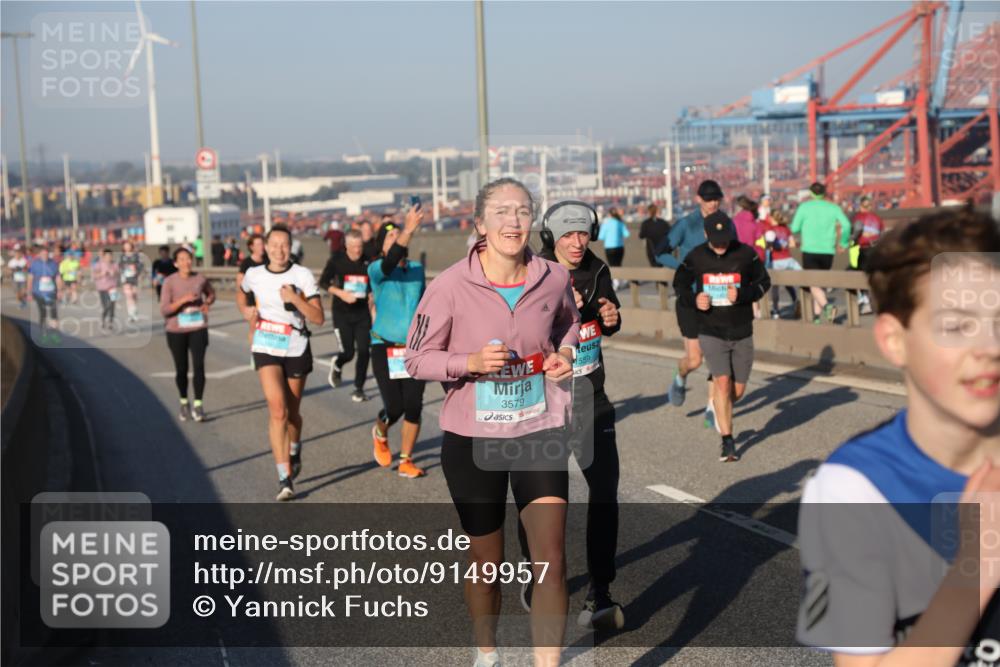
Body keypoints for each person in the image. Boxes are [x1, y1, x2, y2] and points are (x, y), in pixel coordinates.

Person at [796, 207, 1000, 665]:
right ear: (894, 339)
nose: (990, 348)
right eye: (957, 326)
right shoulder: (851, 489)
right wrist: (978, 565)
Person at [405, 178, 578, 667]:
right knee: (487, 563)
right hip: (473, 440)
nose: (513, 221)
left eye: (523, 211)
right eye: (501, 211)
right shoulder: (449, 287)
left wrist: (564, 352)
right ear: (480, 224)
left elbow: (569, 323)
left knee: (551, 558)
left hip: (538, 430)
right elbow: (416, 359)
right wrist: (470, 363)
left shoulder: (553, 276)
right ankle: (487, 653)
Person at [517, 199, 625, 631]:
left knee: (605, 492)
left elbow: (606, 319)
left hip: (591, 397)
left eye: (582, 233)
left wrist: (612, 315)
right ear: (550, 238)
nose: (577, 243)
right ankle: (534, 571)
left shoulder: (598, 269)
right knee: (541, 499)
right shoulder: (533, 273)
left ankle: (600, 589)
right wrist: (560, 307)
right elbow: (518, 332)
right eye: (566, 235)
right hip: (543, 402)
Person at [673, 211, 770, 462]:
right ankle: (728, 442)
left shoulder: (745, 254)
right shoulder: (696, 257)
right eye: (716, 240)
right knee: (723, 383)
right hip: (710, 330)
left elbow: (764, 282)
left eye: (725, 238)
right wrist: (694, 299)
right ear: (706, 235)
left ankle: (720, 404)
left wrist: (744, 295)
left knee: (736, 392)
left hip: (741, 331)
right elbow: (679, 285)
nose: (721, 244)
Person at [238, 225, 323, 501]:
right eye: (273, 244)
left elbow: (319, 318)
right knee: (277, 410)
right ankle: (284, 478)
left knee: (293, 413)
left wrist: (295, 299)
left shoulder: (302, 275)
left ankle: (295, 447)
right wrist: (247, 311)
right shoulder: (254, 274)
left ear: (291, 247)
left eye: (284, 244)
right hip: (266, 344)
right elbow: (243, 291)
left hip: (296, 346)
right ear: (264, 246)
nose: (278, 249)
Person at [660, 179, 731, 431]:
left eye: (717, 198)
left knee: (717, 358)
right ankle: (680, 377)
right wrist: (684, 268)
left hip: (718, 300)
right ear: (699, 198)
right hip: (690, 299)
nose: (713, 203)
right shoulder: (686, 224)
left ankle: (713, 406)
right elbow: (661, 251)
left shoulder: (725, 222)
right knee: (695, 359)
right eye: (709, 198)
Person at [368, 208, 428, 479]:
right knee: (395, 407)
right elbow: (391, 260)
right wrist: (408, 230)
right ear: (381, 245)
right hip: (384, 346)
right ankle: (380, 432)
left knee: (414, 405)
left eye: (399, 238)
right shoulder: (376, 271)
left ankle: (406, 459)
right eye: (388, 239)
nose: (395, 243)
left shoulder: (416, 269)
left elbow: (428, 305)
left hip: (415, 348)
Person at [159, 247, 216, 422]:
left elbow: (211, 293)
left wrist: (208, 302)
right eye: (182, 259)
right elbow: (164, 310)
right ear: (176, 263)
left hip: (198, 327)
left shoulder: (200, 278)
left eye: (188, 258)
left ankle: (198, 405)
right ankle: (184, 402)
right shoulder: (169, 282)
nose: (186, 262)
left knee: (199, 366)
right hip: (176, 330)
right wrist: (183, 300)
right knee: (181, 368)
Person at [319, 230, 372, 401]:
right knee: (348, 352)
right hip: (342, 313)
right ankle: (339, 363)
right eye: (354, 247)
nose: (358, 250)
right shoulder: (337, 260)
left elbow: (373, 284)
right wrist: (341, 293)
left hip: (362, 313)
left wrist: (372, 297)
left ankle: (358, 388)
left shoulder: (368, 260)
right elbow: (323, 282)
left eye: (360, 246)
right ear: (347, 246)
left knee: (364, 351)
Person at [790, 182, 851, 323]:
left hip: (810, 250)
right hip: (828, 251)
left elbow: (794, 228)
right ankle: (817, 318)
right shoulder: (833, 208)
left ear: (811, 193)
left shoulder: (804, 207)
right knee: (820, 283)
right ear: (824, 193)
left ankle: (826, 306)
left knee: (812, 283)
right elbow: (847, 225)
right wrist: (843, 242)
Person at [763, 210, 802, 319]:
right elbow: (793, 244)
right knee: (788, 284)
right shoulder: (786, 229)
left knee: (775, 287)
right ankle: (795, 301)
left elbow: (769, 247)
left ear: (772, 218)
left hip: (776, 261)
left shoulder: (770, 230)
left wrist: (768, 246)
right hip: (788, 260)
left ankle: (776, 311)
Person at [850, 195, 885, 314]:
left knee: (860, 274)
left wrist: (852, 241)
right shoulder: (877, 218)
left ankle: (865, 301)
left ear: (860, 206)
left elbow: (857, 230)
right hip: (875, 248)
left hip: (862, 248)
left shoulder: (858, 217)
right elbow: (881, 233)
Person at [27, 245, 61, 343]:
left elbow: (58, 278)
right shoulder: (34, 264)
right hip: (38, 292)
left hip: (51, 292)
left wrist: (59, 290)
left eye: (46, 254)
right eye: (43, 254)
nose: (45, 255)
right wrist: (29, 293)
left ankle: (54, 334)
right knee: (43, 313)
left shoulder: (53, 264)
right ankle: (43, 334)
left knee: (54, 313)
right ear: (39, 254)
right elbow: (30, 278)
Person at [598, 207, 629, 289]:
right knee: (618, 264)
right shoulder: (620, 223)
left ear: (609, 214)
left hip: (609, 247)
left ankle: (616, 283)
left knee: (612, 265)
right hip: (619, 247)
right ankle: (620, 281)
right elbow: (626, 234)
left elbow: (601, 237)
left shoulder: (606, 223)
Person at [92, 249, 121, 330]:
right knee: (106, 306)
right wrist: (102, 274)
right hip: (102, 288)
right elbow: (94, 275)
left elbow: (118, 273)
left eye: (110, 256)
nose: (109, 258)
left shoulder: (115, 264)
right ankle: (103, 319)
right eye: (107, 256)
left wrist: (114, 273)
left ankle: (110, 322)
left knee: (112, 305)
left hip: (113, 287)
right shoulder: (98, 264)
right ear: (103, 256)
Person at [119, 241, 144, 323]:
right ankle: (131, 314)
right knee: (128, 296)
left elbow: (140, 265)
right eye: (125, 246)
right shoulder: (122, 256)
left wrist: (138, 273)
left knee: (134, 295)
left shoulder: (136, 255)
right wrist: (122, 274)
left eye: (128, 246)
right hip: (126, 278)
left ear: (131, 246)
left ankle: (135, 312)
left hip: (134, 277)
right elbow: (119, 266)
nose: (127, 248)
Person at [638, 203, 671, 268]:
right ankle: (659, 277)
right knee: (660, 265)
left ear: (649, 212)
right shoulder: (663, 223)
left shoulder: (646, 223)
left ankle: (656, 277)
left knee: (653, 265)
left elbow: (641, 236)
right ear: (656, 211)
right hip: (662, 248)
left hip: (651, 247)